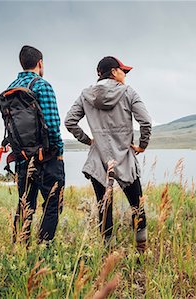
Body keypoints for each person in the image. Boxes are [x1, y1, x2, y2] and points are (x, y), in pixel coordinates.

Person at [65, 56, 152, 251]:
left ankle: (108, 253)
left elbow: (70, 121)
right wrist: (142, 145)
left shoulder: (85, 95)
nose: (125, 75)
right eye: (124, 71)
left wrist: (89, 141)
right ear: (113, 71)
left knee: (104, 208)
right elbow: (145, 122)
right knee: (137, 204)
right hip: (125, 158)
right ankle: (141, 249)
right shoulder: (129, 92)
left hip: (98, 160)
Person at [7, 45, 65, 244]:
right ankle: (44, 247)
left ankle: (20, 248)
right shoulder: (42, 86)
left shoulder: (10, 89)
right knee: (52, 203)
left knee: (25, 204)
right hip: (47, 158)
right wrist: (58, 152)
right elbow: (52, 124)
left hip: (22, 158)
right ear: (40, 63)